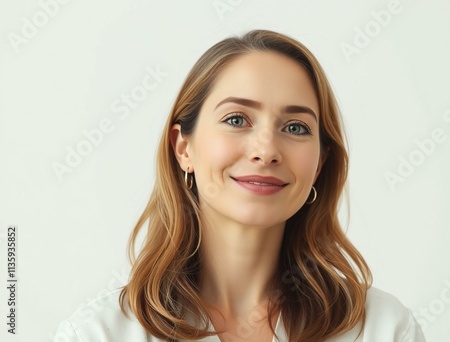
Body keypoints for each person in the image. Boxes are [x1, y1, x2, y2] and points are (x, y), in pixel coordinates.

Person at [55, 29, 425, 342]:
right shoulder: (97, 334)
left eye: (296, 127)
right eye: (236, 119)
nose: (266, 151)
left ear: (319, 165)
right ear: (183, 148)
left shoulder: (384, 329)